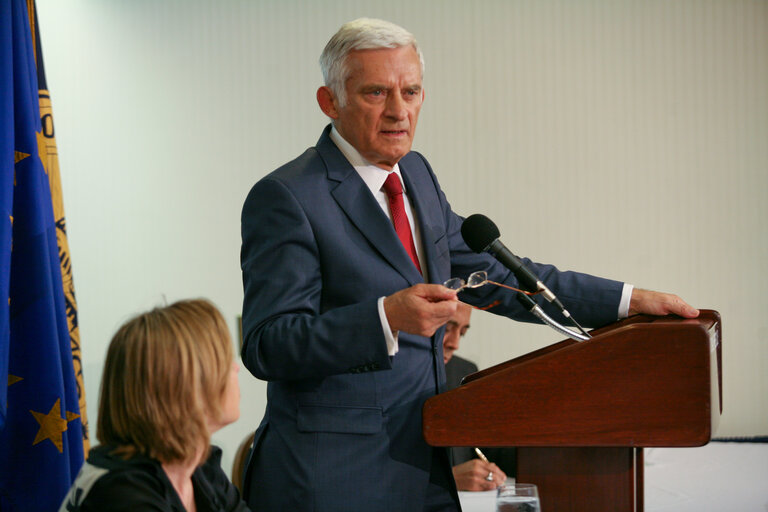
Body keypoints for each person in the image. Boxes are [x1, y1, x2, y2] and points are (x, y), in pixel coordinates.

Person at [239, 18, 699, 512]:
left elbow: (501, 274)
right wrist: (384, 319)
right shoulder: (287, 197)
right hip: (331, 477)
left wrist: (629, 302)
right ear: (330, 101)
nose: (399, 111)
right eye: (376, 92)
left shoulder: (416, 174)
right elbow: (268, 345)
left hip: (423, 468)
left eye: (411, 91)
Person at [59, 299, 250, 512]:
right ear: (184, 386)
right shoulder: (122, 494)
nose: (235, 368)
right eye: (223, 361)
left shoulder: (199, 467)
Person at [443, 303, 516, 492]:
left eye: (462, 332)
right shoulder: (382, 372)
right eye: (446, 329)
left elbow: (487, 446)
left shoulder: (464, 371)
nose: (454, 343)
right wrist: (447, 480)